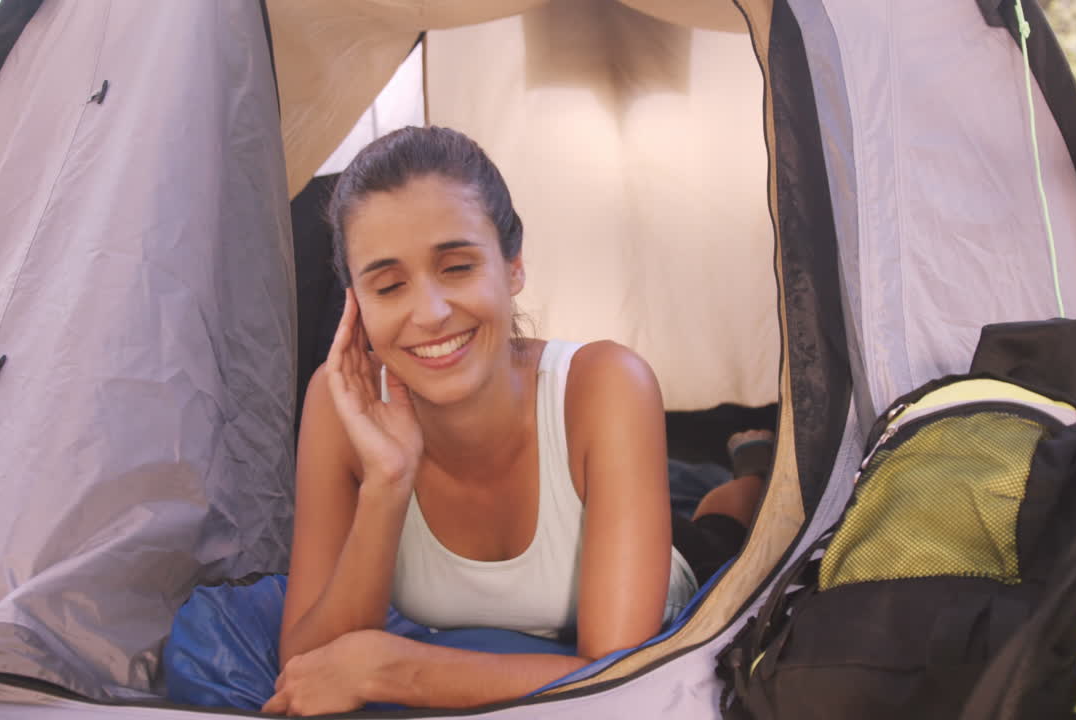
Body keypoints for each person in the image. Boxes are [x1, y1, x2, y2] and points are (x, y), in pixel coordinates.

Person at [262, 126, 767, 715]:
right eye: (390, 285)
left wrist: (393, 669)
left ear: (514, 268)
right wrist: (387, 482)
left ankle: (750, 469)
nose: (429, 313)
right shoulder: (338, 401)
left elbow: (620, 679)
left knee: (724, 525)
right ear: (356, 305)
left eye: (456, 268)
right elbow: (306, 668)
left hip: (679, 562)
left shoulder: (607, 383)